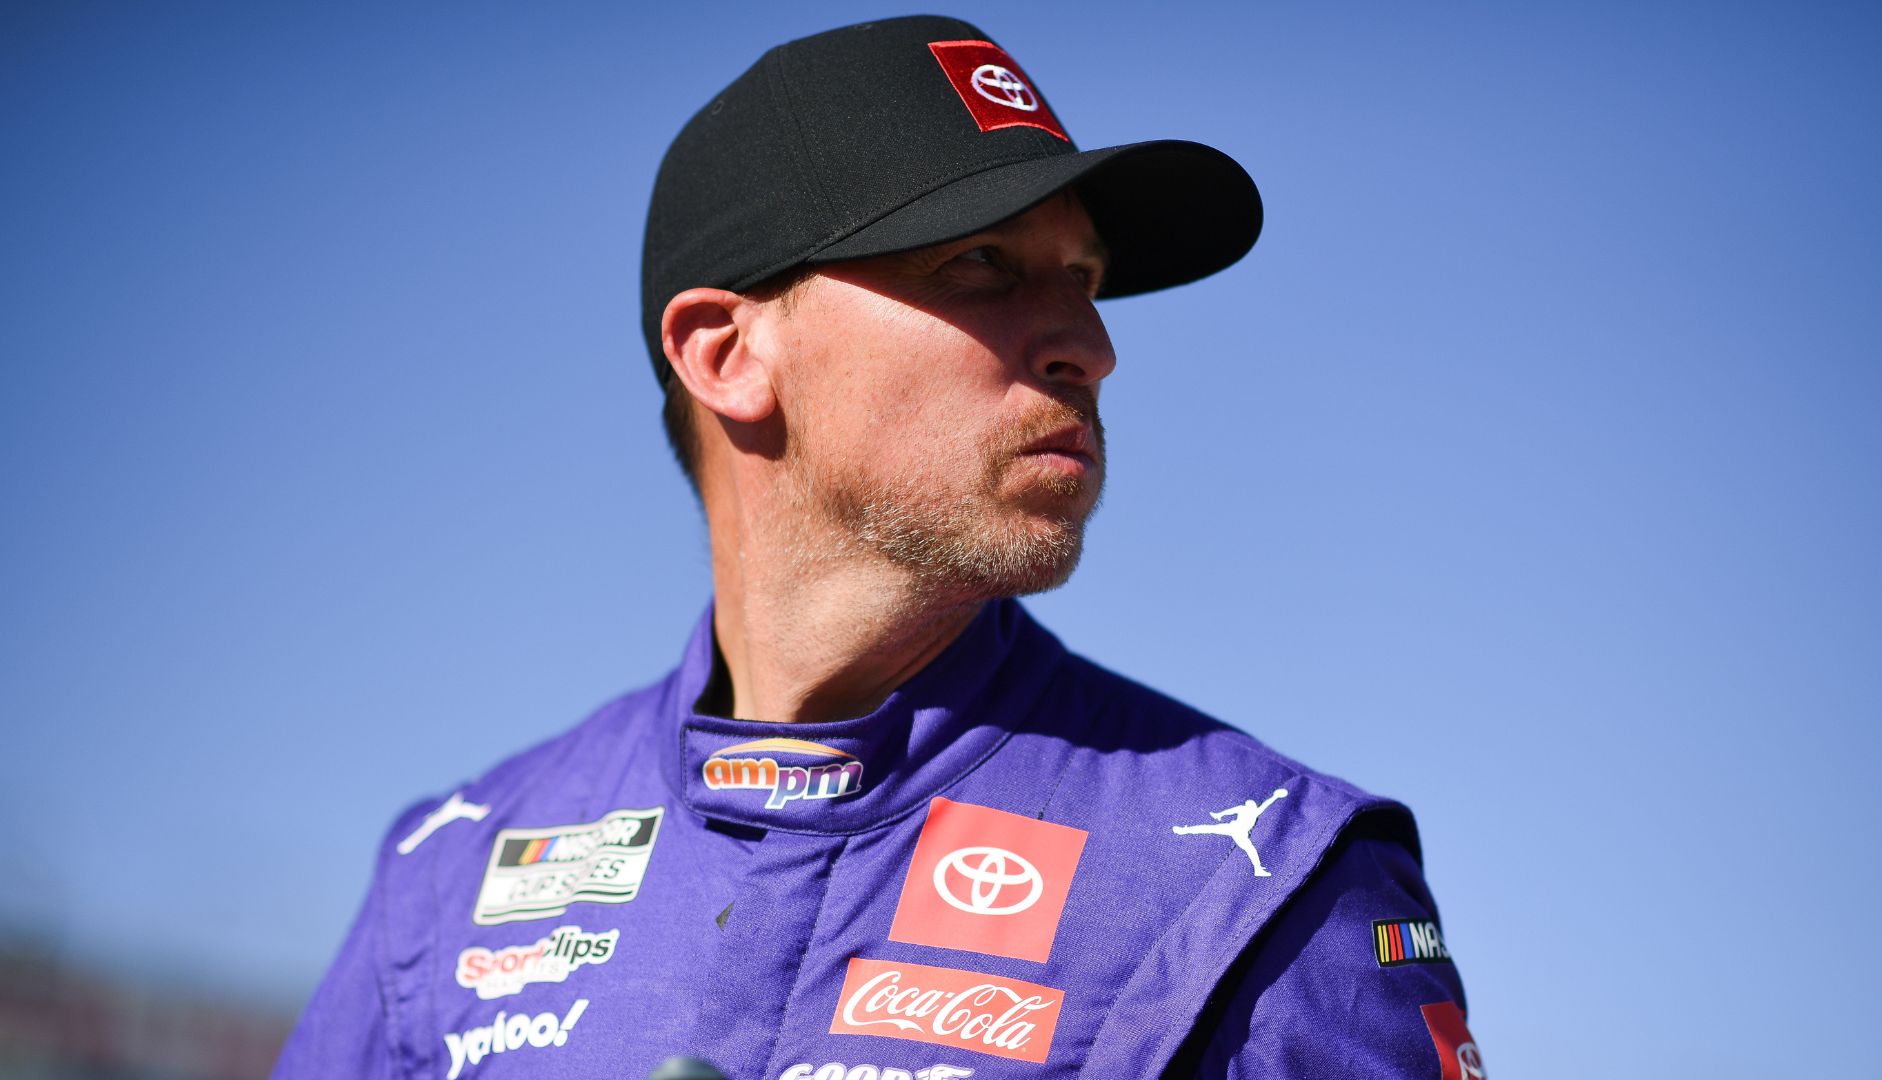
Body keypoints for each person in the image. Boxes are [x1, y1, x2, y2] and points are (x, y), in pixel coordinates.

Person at [273, 15, 1478, 1080]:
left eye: (1087, 277)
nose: (1087, 344)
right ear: (725, 353)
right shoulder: (447, 882)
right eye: (983, 264)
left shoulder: (1271, 882)